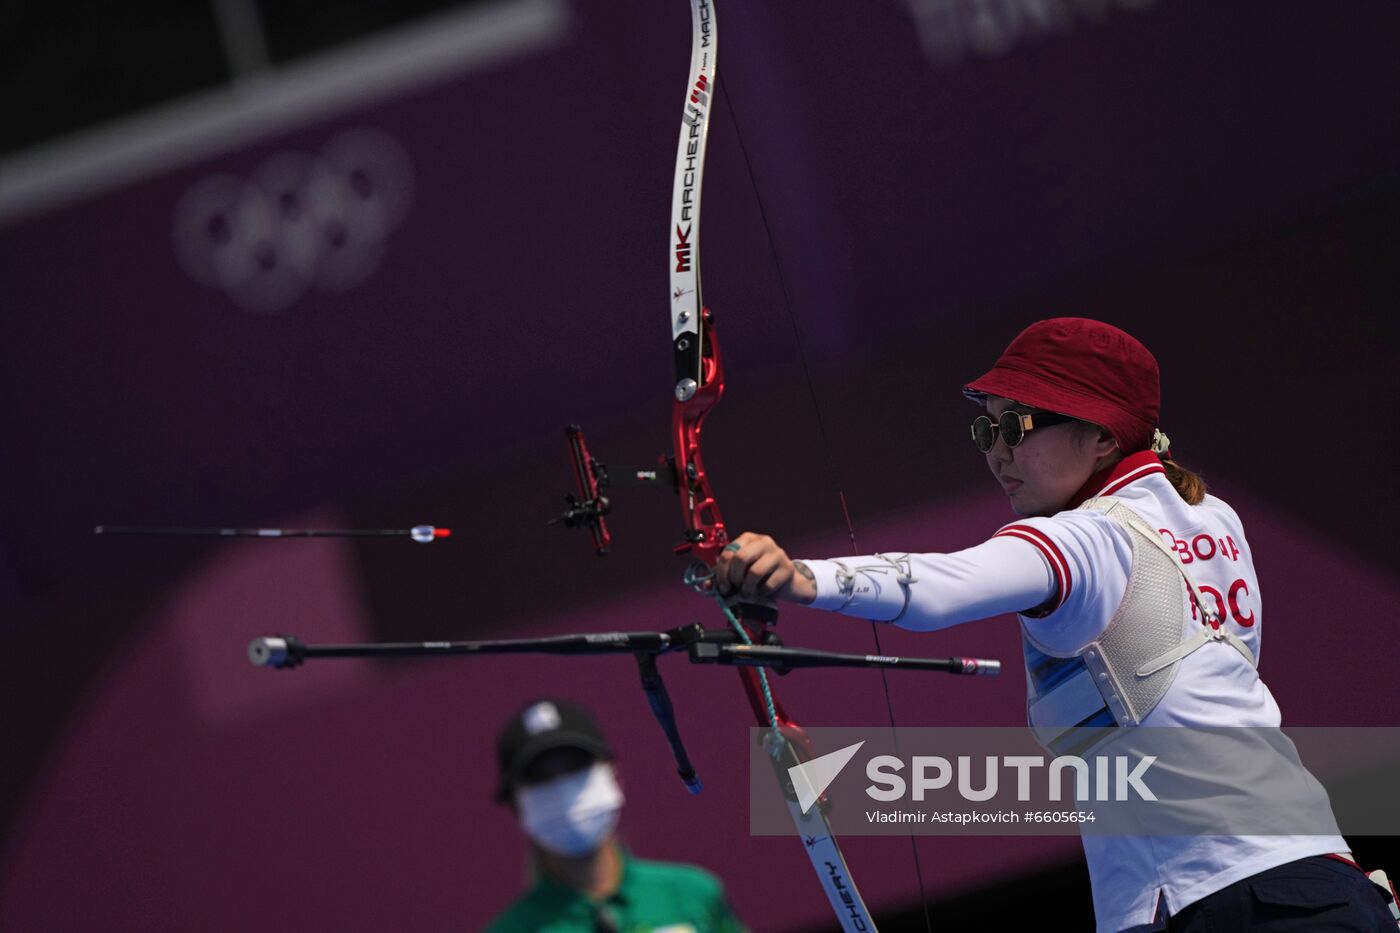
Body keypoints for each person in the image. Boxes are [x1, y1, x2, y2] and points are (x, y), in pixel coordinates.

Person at [713, 318, 1397, 932]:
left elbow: (945, 588)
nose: (996, 452)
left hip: (1235, 901)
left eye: (1017, 426)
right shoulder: (1211, 517)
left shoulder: (1088, 540)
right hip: (1308, 884)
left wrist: (798, 576)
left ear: (1101, 435)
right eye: (987, 428)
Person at [485, 697, 746, 933]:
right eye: (540, 778)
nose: (563, 790)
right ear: (516, 808)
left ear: (614, 776)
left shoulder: (693, 895)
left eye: (575, 766)